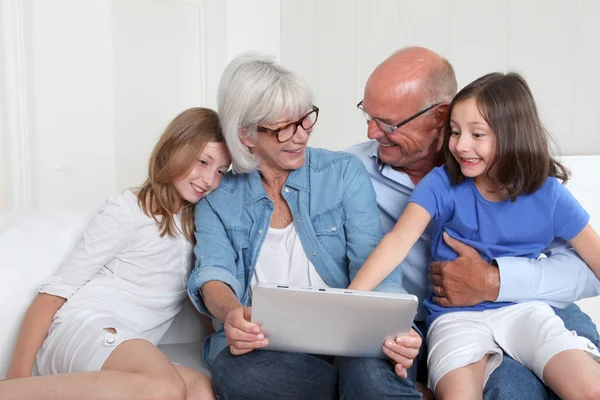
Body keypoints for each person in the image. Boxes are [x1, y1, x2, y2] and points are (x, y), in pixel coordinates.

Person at [346, 47, 600, 399]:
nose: (461, 145)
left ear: (512, 135)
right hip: (455, 318)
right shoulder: (441, 183)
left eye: (476, 134)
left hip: (525, 307)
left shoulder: (547, 194)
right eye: (455, 132)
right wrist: (351, 300)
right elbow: (397, 242)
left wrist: (499, 280)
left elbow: (593, 261)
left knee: (586, 386)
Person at [187, 51, 423, 400]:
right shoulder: (218, 197)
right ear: (247, 135)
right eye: (283, 128)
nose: (300, 137)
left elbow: (375, 263)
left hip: (354, 338)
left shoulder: (342, 173)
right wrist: (233, 315)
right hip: (271, 348)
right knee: (233, 372)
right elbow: (214, 276)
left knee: (369, 368)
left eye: (305, 120)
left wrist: (396, 332)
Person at [0, 108, 231, 400]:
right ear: (175, 148)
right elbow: (55, 292)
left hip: (127, 348)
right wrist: (17, 376)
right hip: (84, 325)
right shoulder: (128, 210)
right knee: (164, 387)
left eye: (221, 171)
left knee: (202, 390)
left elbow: (199, 296)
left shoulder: (197, 225)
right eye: (203, 162)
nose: (209, 179)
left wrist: (226, 328)